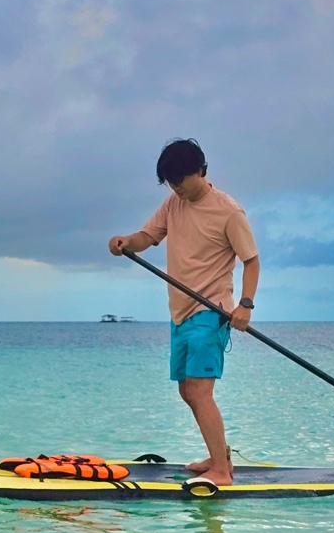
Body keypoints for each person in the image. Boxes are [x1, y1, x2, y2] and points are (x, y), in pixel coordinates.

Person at [109, 138, 259, 488]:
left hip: (211, 310)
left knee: (200, 391)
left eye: (180, 180)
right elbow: (148, 236)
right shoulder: (174, 203)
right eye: (170, 182)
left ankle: (222, 472)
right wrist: (125, 242)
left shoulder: (228, 211)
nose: (176, 188)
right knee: (187, 391)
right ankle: (219, 456)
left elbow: (251, 260)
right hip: (180, 313)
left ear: (201, 171)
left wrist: (246, 306)